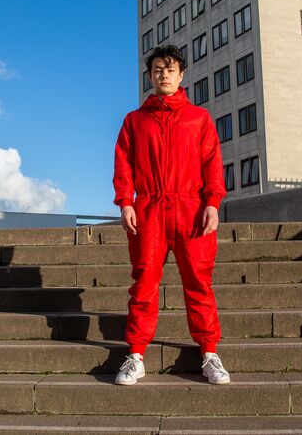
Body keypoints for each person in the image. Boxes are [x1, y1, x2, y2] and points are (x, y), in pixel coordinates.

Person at [112, 45, 229, 385]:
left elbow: (212, 163)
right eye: (157, 70)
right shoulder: (134, 121)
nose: (164, 74)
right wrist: (126, 202)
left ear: (181, 75)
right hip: (148, 210)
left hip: (190, 209)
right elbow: (124, 164)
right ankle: (135, 354)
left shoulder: (198, 119)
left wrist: (212, 202)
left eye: (170, 69)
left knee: (198, 282)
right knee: (145, 283)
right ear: (150, 77)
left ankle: (209, 352)